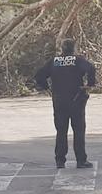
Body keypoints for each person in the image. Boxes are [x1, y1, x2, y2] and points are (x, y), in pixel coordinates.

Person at [34, 38, 97, 169]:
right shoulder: (77, 60)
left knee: (61, 131)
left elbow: (39, 75)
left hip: (59, 100)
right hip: (76, 99)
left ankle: (60, 160)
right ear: (74, 49)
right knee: (78, 130)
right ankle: (81, 160)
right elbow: (91, 69)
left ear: (62, 49)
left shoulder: (54, 61)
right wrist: (89, 84)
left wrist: (46, 88)